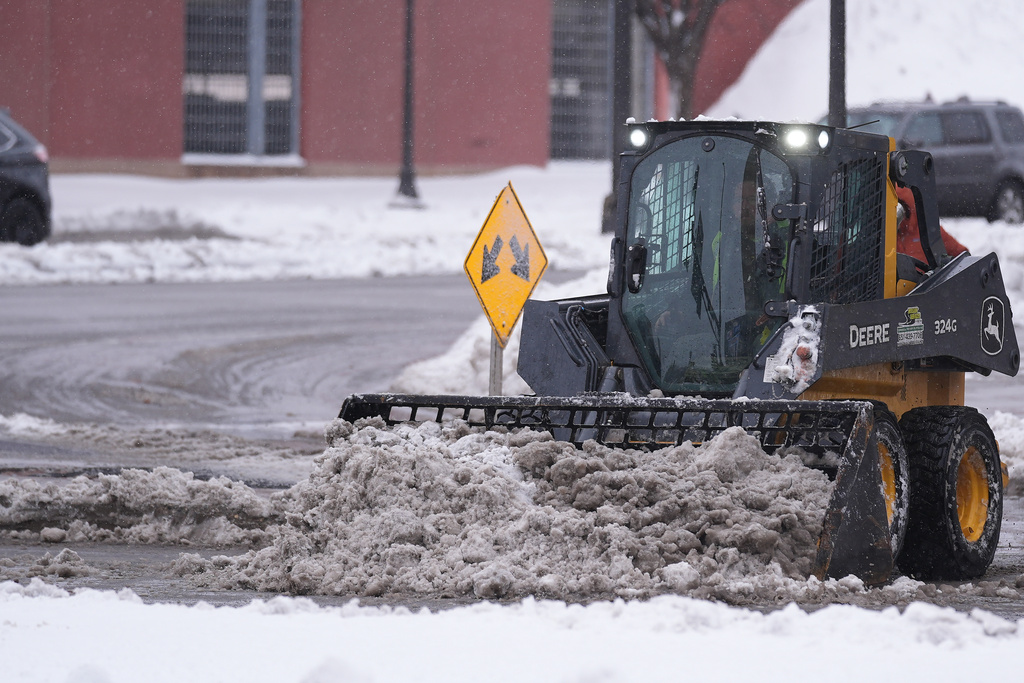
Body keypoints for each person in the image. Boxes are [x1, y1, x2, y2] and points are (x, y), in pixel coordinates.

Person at [894, 184, 967, 263]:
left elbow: (962, 258)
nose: (895, 213)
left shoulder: (928, 230)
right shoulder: (881, 237)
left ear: (907, 208)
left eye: (898, 208)